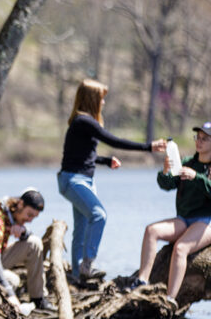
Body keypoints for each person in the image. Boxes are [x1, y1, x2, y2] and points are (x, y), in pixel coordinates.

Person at [58, 79, 167, 282]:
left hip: (79, 179)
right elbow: (113, 140)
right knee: (99, 215)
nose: (104, 103)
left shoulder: (81, 122)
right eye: (101, 98)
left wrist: (105, 161)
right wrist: (148, 147)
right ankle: (87, 265)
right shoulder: (84, 121)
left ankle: (76, 277)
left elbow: (78, 156)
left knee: (81, 228)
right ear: (92, 99)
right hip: (74, 181)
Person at [133, 122, 211, 299]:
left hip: (209, 221)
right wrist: (165, 171)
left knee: (180, 248)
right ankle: (141, 281)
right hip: (184, 219)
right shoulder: (187, 162)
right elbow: (167, 185)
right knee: (151, 231)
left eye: (205, 139)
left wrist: (197, 177)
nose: (199, 142)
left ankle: (169, 299)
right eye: (198, 138)